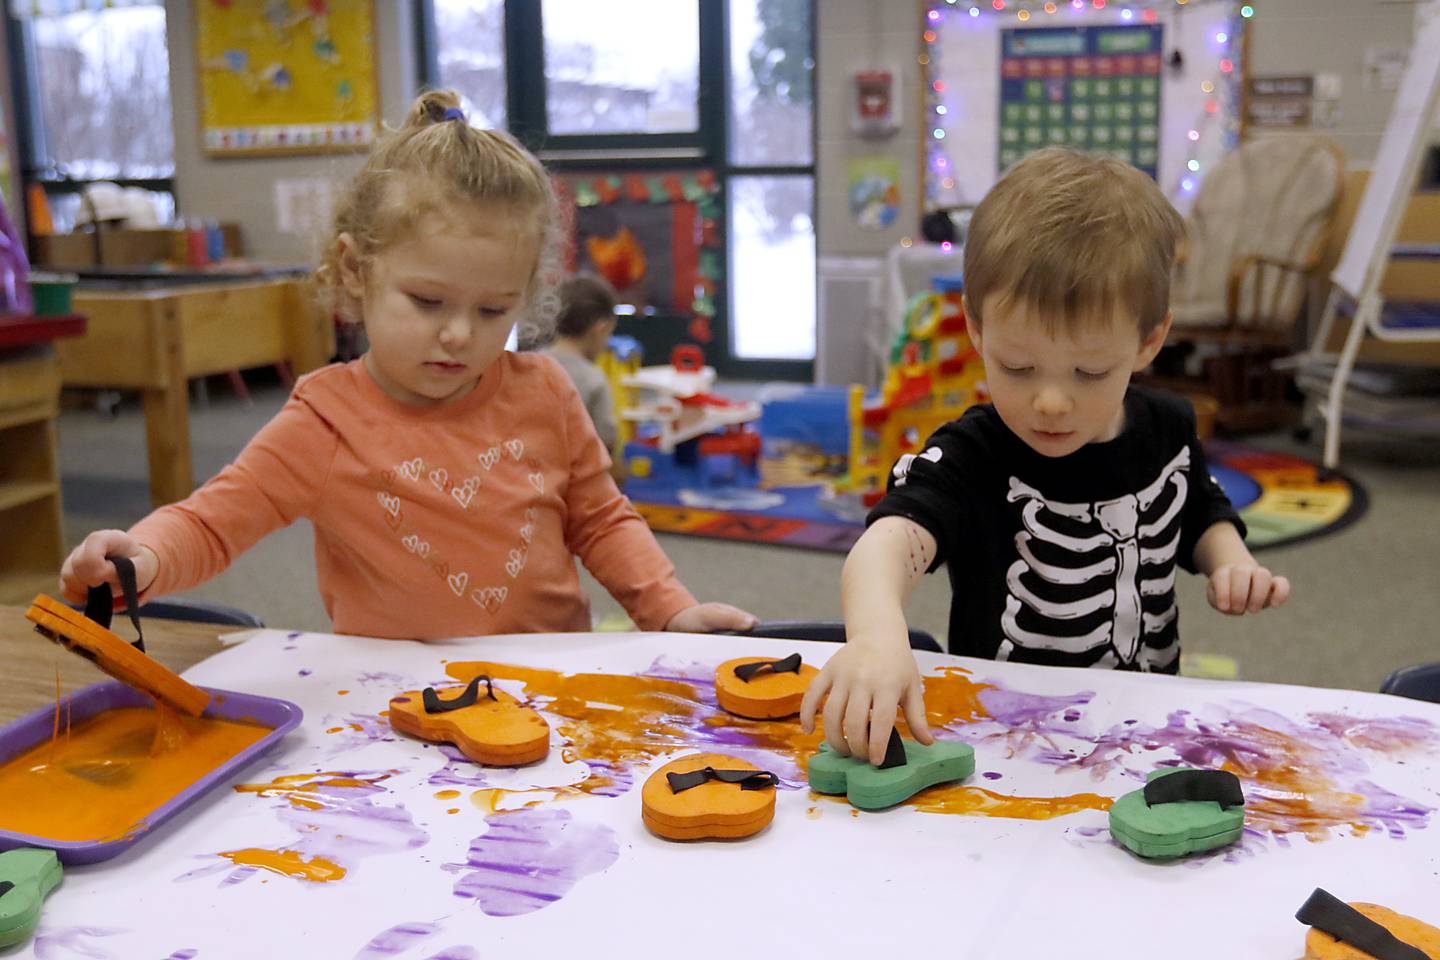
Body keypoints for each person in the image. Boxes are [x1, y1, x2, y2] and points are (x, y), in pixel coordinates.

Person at [60, 90, 756, 641]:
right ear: (354, 271)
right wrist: (140, 557)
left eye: (493, 312)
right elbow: (214, 522)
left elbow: (602, 521)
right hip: (393, 708)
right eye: (427, 301)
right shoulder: (326, 420)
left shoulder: (546, 391)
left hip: (550, 691)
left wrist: (668, 611)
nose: (458, 335)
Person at [800, 147, 1291, 765]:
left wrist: (1230, 559)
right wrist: (875, 636)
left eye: (1089, 371)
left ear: (1149, 341)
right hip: (1003, 742)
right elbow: (889, 543)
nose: (1051, 402)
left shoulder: (1168, 427)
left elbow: (1200, 507)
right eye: (1017, 366)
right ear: (977, 330)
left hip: (1147, 727)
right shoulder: (972, 454)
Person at [543, 274, 621, 456]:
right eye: (609, 334)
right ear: (601, 328)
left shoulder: (529, 364)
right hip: (575, 476)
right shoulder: (593, 379)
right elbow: (606, 440)